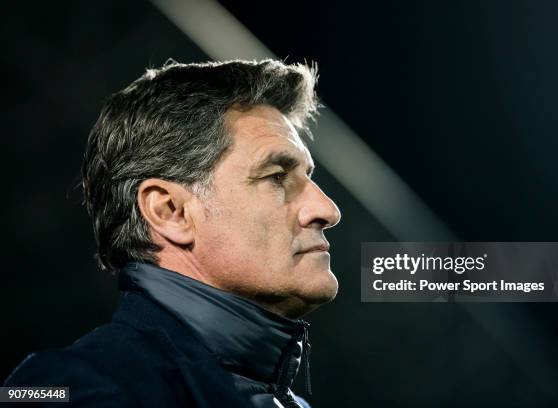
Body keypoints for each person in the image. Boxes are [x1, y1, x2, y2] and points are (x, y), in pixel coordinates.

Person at [4, 59, 341, 407]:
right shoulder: (76, 389)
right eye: (275, 177)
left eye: (308, 177)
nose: (327, 210)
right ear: (170, 212)